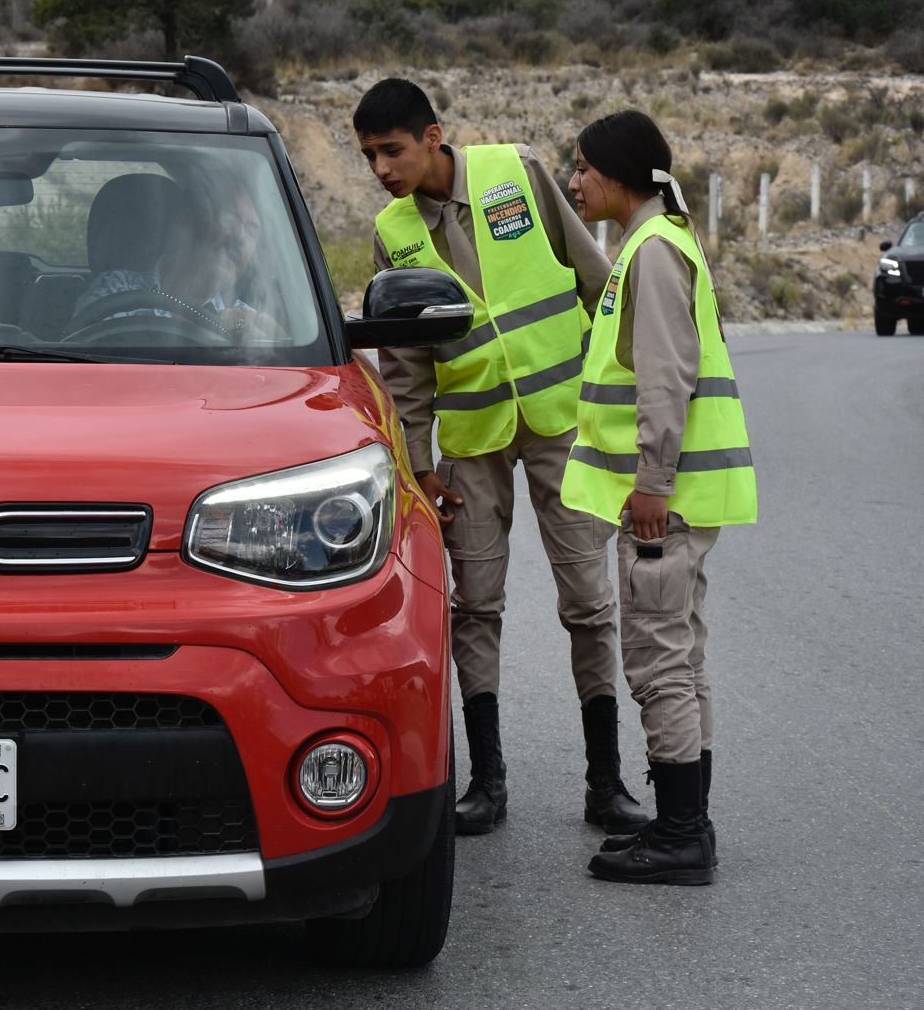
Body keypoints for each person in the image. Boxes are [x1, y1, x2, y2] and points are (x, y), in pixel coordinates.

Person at [354, 77, 649, 837]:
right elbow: (407, 367)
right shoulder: (393, 233)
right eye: (368, 158)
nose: (383, 169)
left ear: (433, 136)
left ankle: (606, 782)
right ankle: (486, 781)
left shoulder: (514, 170)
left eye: (392, 150)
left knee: (588, 601)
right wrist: (417, 464)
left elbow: (596, 282)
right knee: (474, 606)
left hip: (561, 426)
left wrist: (620, 405)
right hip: (471, 442)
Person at [564, 110, 757, 885]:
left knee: (658, 661)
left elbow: (665, 376)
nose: (573, 181)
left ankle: (680, 833)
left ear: (616, 174)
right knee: (683, 655)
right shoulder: (662, 240)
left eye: (581, 168)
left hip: (662, 502)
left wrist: (650, 480)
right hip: (681, 496)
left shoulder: (649, 251)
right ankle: (691, 824)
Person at [71, 178, 283, 341]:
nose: (239, 238)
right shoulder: (117, 288)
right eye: (229, 219)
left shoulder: (243, 318)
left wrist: (256, 339)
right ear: (186, 223)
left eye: (252, 230)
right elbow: (87, 353)